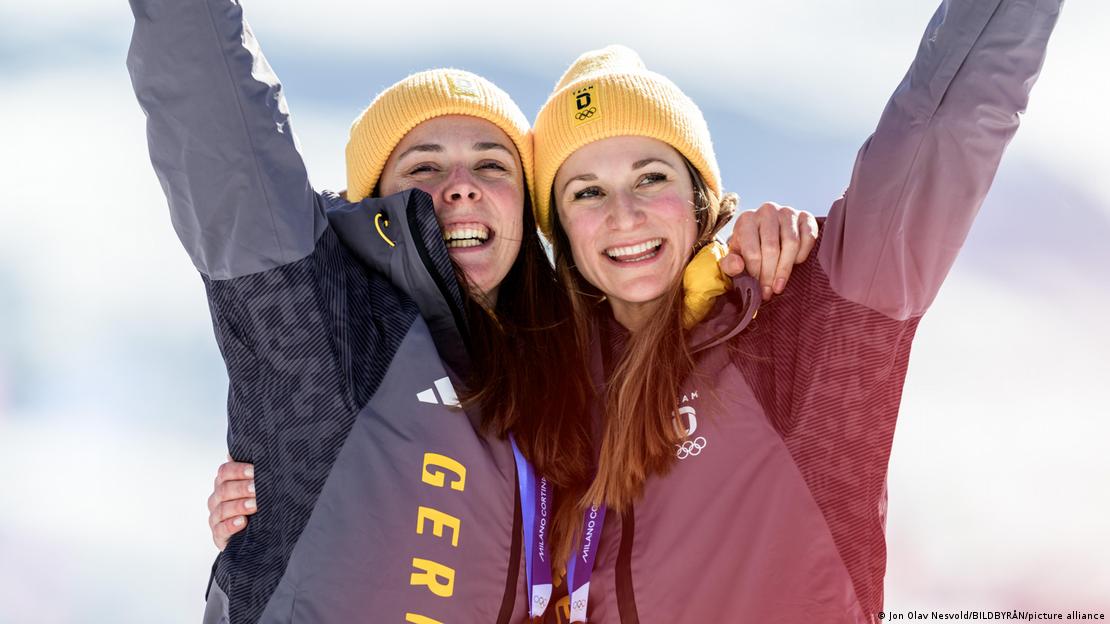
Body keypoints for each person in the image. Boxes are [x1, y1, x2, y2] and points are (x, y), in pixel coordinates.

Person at [128, 0, 814, 622]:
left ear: (526, 210)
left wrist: (732, 262)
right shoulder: (320, 321)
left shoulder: (561, 375)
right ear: (377, 202)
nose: (459, 188)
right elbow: (213, 112)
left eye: (491, 166)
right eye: (424, 168)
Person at [514, 0, 1063, 622]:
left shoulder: (804, 318)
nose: (624, 214)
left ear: (700, 198)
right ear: (560, 231)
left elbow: (944, 127)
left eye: (651, 177)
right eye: (588, 191)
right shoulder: (541, 404)